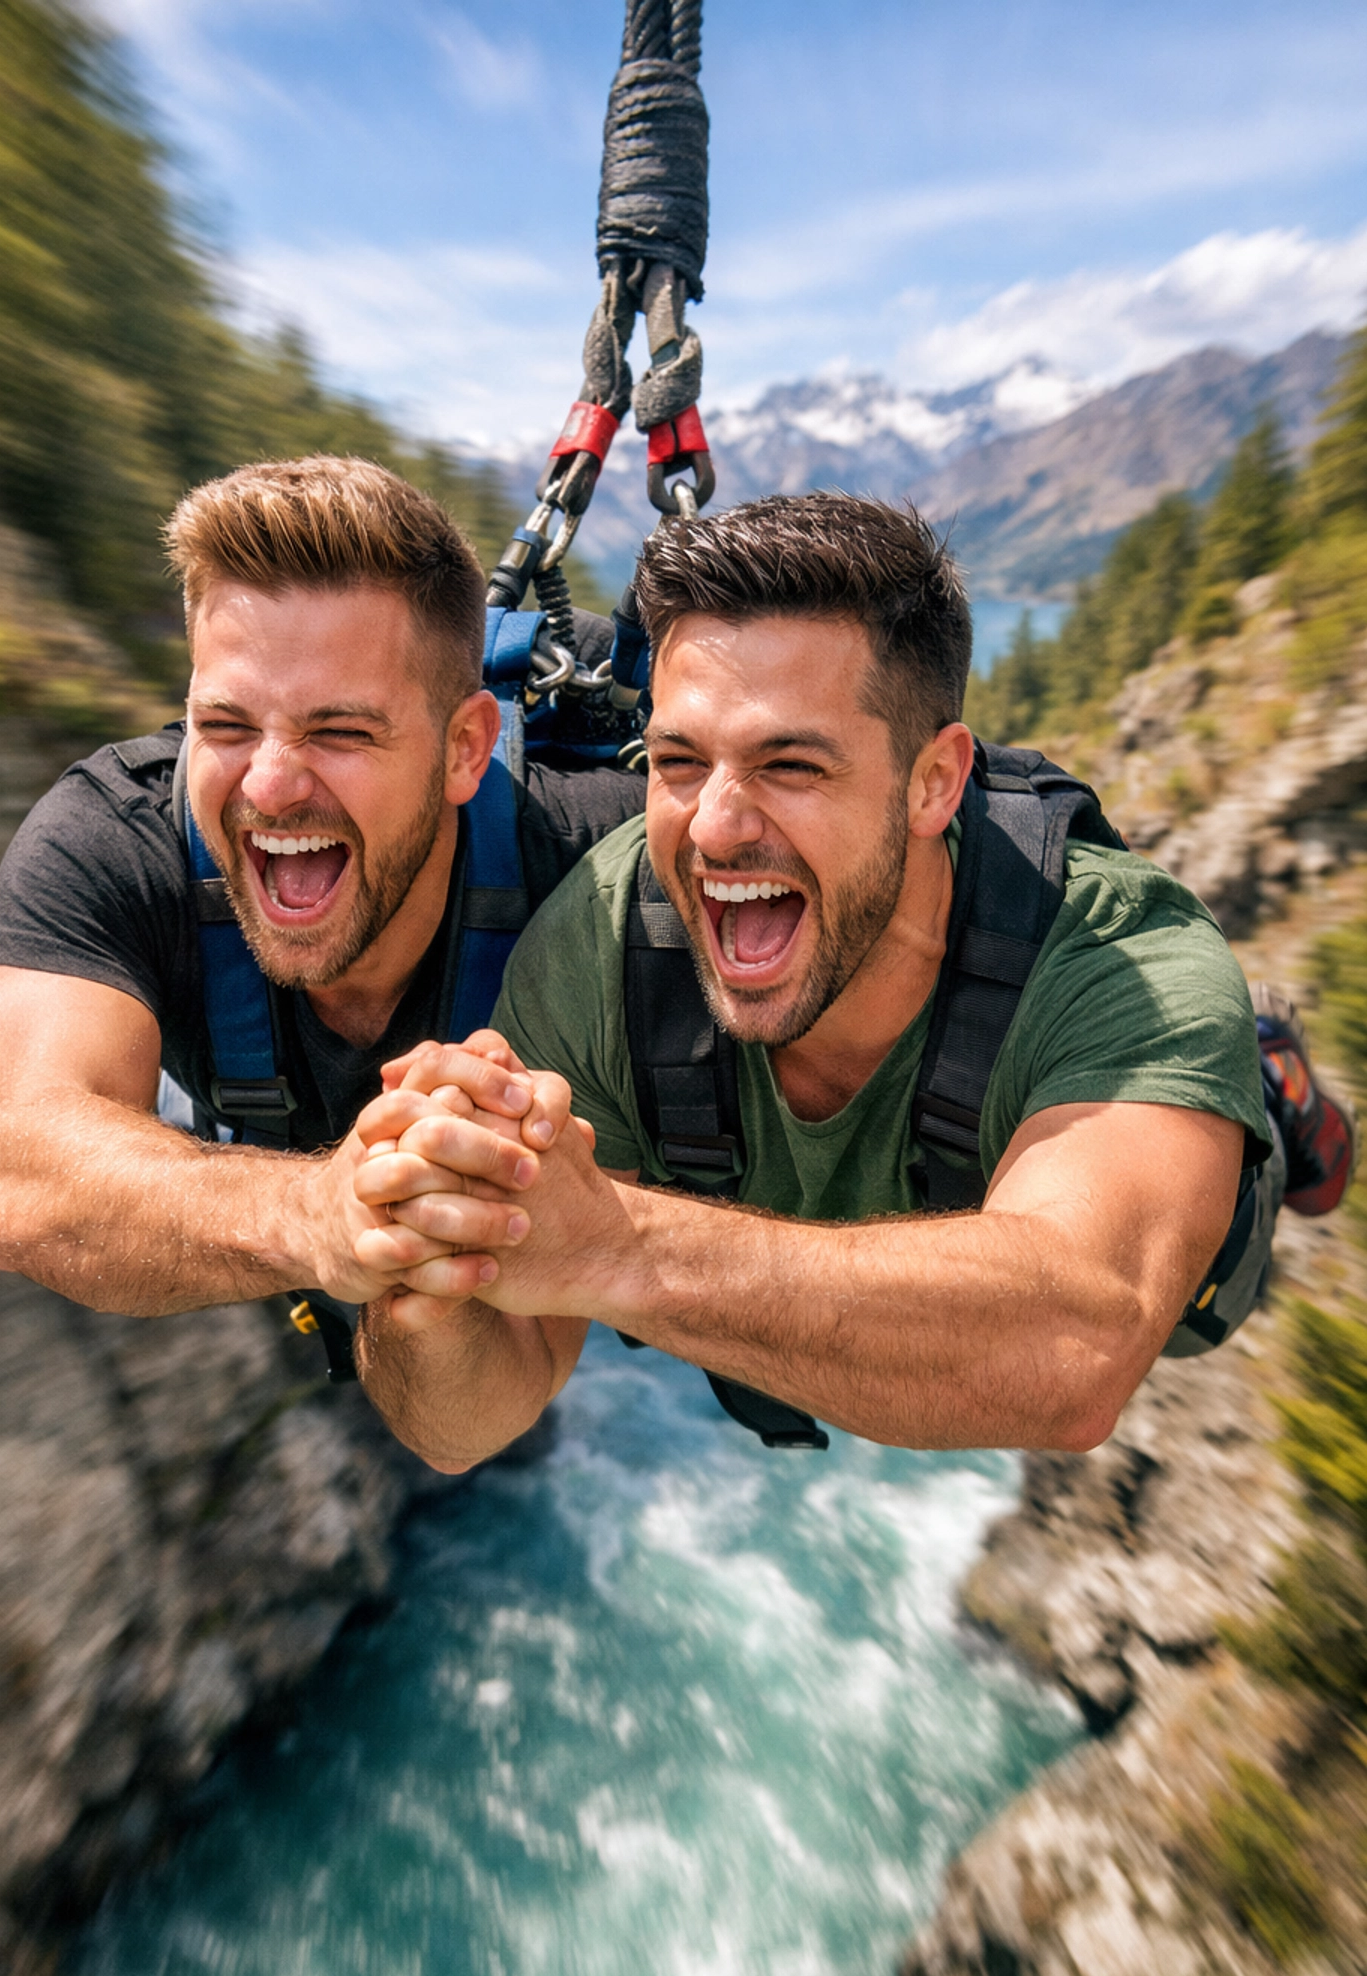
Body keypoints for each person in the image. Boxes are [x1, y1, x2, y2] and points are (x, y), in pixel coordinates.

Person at [341, 494, 1354, 1470]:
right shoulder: (601, 945)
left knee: (1214, 1248)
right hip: (834, 1291)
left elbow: (1073, 1352)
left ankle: (1264, 1080)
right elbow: (456, 1431)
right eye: (679, 761)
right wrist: (434, 1267)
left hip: (1179, 1248)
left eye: (790, 765)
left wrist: (615, 1248)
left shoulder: (1123, 958)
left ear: (934, 782)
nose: (714, 828)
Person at [0, 456, 644, 1329]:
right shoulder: (111, 841)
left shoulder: (604, 862)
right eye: (225, 725)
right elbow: (20, 1174)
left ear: (465, 749)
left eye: (341, 731)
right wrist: (319, 1215)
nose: (271, 785)